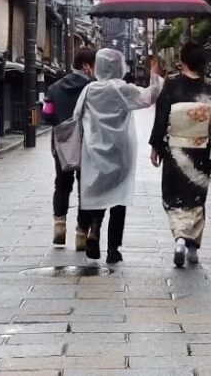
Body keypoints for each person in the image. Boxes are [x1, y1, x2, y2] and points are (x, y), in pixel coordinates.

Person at [76, 49, 163, 264]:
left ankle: (94, 229)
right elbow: (149, 97)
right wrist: (154, 74)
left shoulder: (89, 90)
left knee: (98, 194)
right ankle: (113, 249)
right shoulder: (123, 89)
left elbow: (76, 116)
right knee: (119, 198)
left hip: (93, 150)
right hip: (120, 151)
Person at [149, 42, 211, 267]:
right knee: (196, 197)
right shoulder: (209, 90)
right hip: (200, 153)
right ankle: (193, 245)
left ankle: (180, 238)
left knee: (174, 197)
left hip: (175, 152)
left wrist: (156, 147)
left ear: (182, 62)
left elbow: (161, 118)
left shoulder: (172, 86)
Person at [42, 48, 97, 249]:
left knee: (62, 184)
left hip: (63, 143)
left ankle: (59, 224)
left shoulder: (54, 88)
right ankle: (82, 233)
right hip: (88, 145)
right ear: (86, 66)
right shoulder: (94, 88)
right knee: (86, 189)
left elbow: (46, 115)